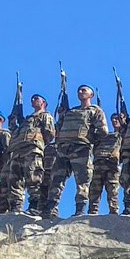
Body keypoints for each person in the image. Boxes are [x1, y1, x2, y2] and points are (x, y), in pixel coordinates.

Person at [45, 85, 110, 217]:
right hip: (63, 148)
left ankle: (80, 209)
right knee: (56, 179)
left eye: (84, 90)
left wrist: (90, 140)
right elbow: (58, 128)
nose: (80, 92)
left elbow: (103, 131)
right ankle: (51, 208)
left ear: (91, 95)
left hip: (81, 147)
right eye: (79, 90)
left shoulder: (95, 110)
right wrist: (61, 115)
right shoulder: (71, 111)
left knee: (82, 179)